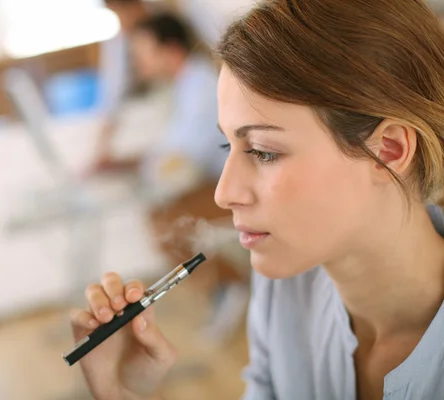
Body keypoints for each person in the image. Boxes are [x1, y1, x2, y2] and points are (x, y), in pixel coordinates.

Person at [69, 0, 444, 399]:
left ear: (389, 150)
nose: (223, 193)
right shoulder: (285, 289)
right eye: (226, 143)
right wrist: (123, 393)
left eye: (264, 151)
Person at [91, 12, 248, 336]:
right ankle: (224, 285)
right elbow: (173, 149)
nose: (137, 62)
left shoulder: (201, 85)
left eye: (143, 53)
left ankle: (229, 285)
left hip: (232, 186)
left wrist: (134, 165)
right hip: (212, 179)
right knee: (159, 217)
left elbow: (183, 155)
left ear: (171, 50)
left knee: (166, 221)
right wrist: (130, 163)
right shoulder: (186, 84)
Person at [93, 0, 151, 171]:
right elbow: (111, 95)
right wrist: (101, 146)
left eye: (120, 13)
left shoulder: (163, 27)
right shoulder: (119, 42)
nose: (122, 23)